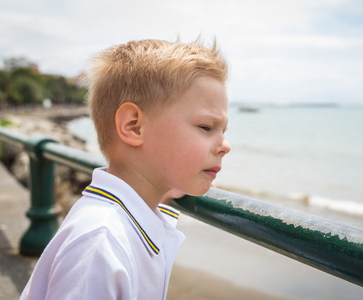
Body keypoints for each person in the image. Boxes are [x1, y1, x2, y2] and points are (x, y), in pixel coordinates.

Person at [20, 38, 231, 299]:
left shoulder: (121, 220)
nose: (225, 145)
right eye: (206, 127)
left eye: (224, 130)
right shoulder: (100, 243)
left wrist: (162, 187)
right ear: (133, 126)